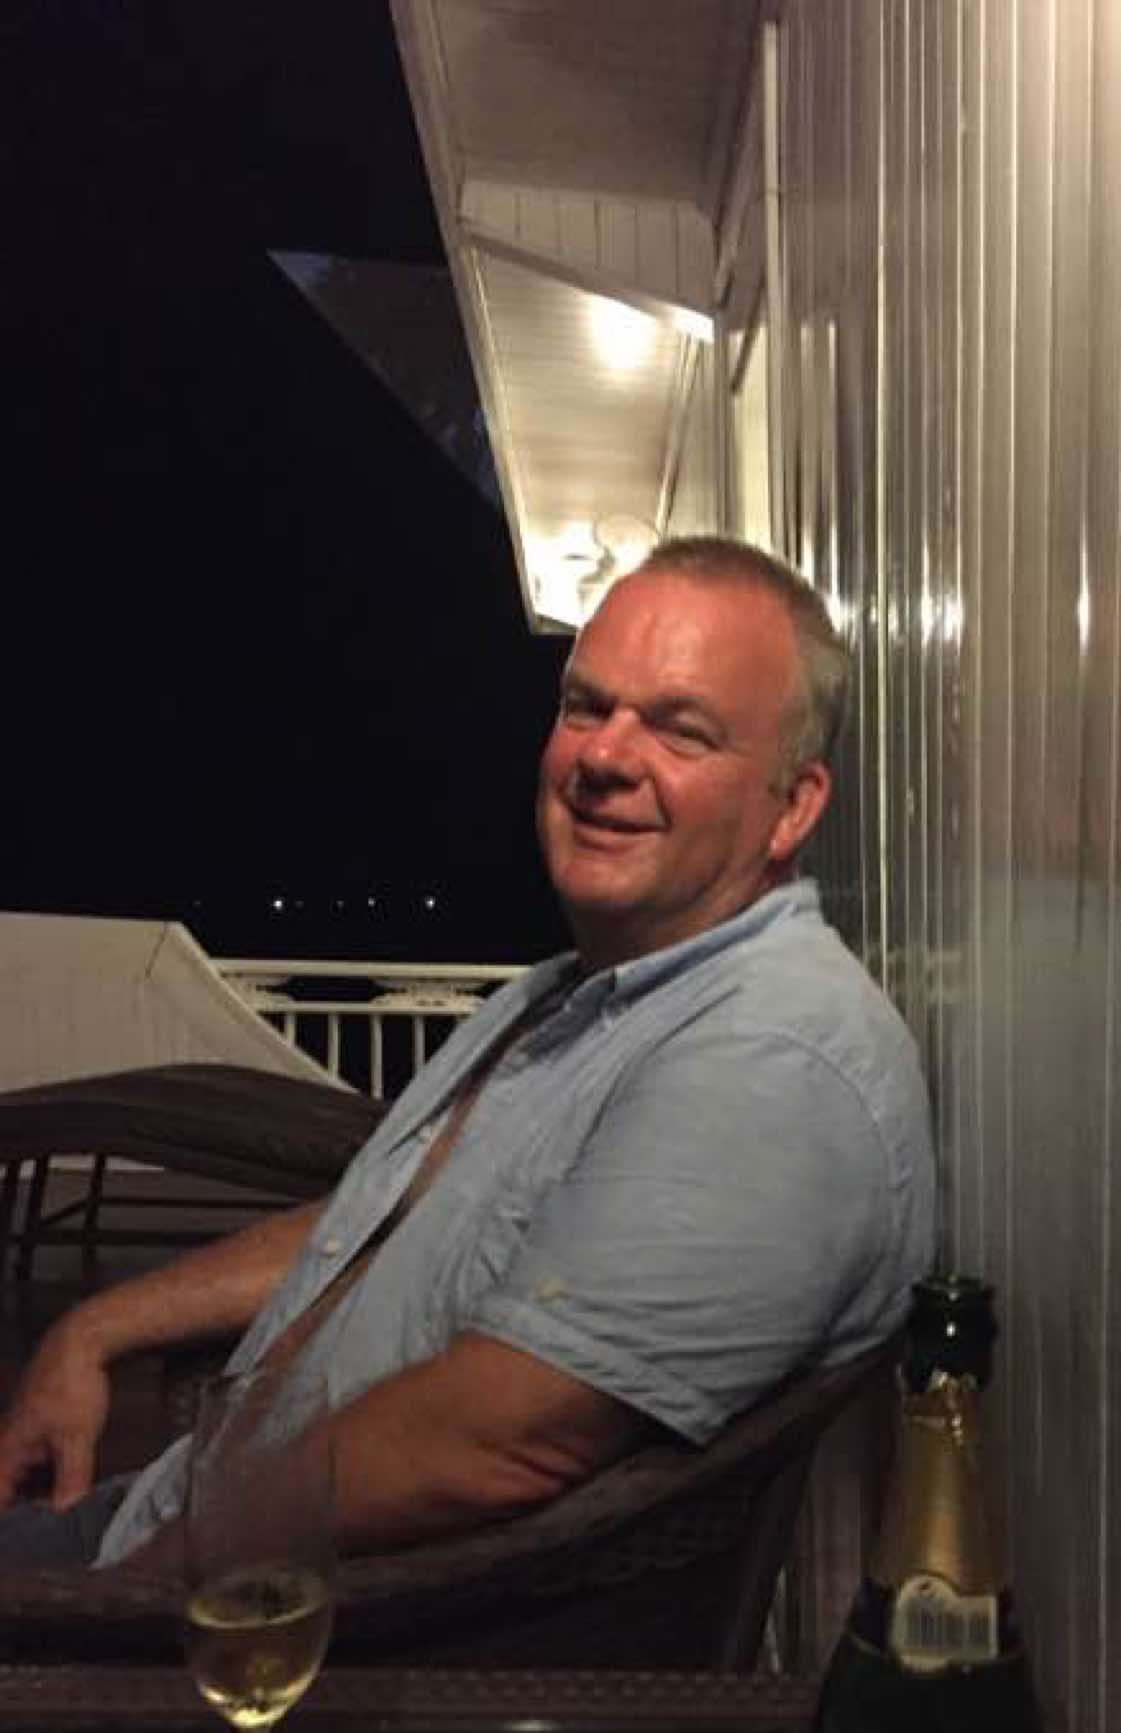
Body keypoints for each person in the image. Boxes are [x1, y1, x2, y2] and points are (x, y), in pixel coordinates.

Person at [0, 537, 936, 1570]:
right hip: (175, 1518)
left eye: (681, 729)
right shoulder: (579, 994)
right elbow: (382, 1223)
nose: (605, 757)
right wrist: (98, 1328)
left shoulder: (771, 1059)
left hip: (260, 1606)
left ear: (792, 805)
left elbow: (503, 1442)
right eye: (586, 706)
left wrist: (130, 1595)